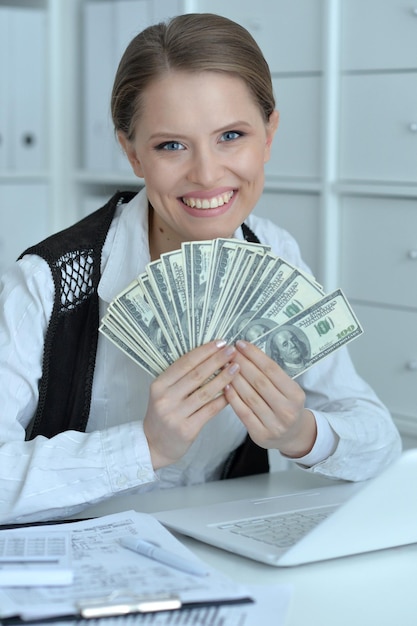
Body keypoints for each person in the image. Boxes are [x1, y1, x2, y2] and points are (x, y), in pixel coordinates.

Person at [0, 13, 401, 524]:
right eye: (171, 145)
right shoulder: (43, 284)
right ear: (131, 153)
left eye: (231, 136)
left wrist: (300, 434)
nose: (208, 174)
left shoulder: (274, 253)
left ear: (269, 133)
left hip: (222, 557)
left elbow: (379, 440)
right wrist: (144, 447)